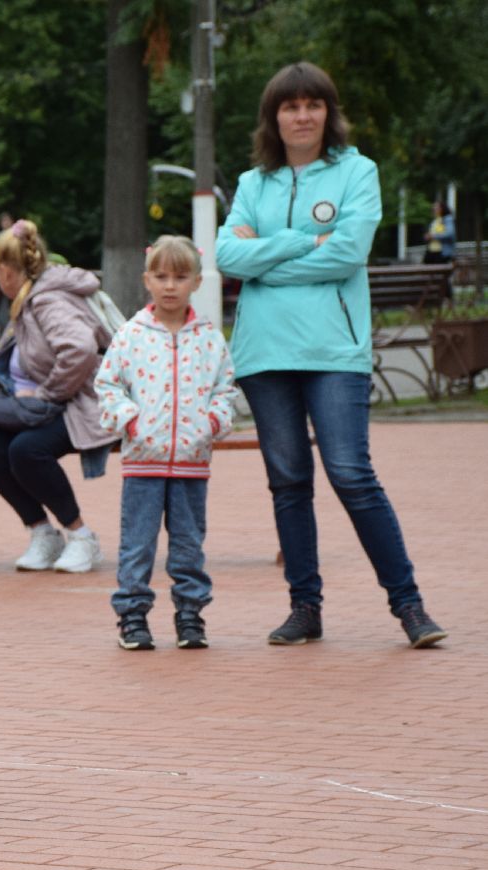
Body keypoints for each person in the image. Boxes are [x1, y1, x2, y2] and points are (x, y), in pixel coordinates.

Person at [216, 61, 446, 648]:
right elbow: (227, 258)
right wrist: (303, 241)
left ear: (328, 112)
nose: (302, 116)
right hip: (265, 354)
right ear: (273, 117)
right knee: (288, 482)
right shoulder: (252, 184)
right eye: (290, 106)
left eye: (312, 105)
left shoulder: (357, 172)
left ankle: (410, 606)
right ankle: (305, 609)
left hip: (334, 351)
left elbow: (346, 254)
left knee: (351, 474)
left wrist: (267, 256)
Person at [95, 236, 237, 651]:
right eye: (161, 276)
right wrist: (130, 420)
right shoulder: (131, 335)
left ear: (196, 282)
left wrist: (212, 423)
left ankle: (190, 614)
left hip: (192, 463)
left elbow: (226, 390)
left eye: (180, 276)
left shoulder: (209, 338)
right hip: (143, 463)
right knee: (137, 544)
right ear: (147, 280)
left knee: (189, 545)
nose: (170, 285)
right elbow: (108, 385)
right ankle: (132, 616)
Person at [0, 219, 113, 574]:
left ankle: (82, 536)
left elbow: (80, 350)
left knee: (26, 450)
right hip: (55, 405)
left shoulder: (47, 299)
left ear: (6, 271)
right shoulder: (29, 298)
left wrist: (47, 394)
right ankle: (43, 533)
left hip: (84, 403)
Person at [424, 199, 455, 266]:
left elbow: (449, 234)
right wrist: (427, 237)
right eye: (433, 207)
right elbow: (431, 234)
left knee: (439, 271)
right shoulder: (434, 221)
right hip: (431, 251)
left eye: (436, 207)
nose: (434, 208)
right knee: (426, 270)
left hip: (442, 253)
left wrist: (433, 236)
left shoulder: (448, 219)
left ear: (442, 208)